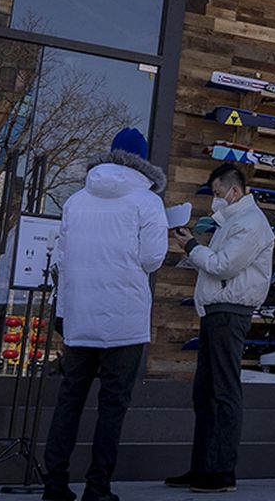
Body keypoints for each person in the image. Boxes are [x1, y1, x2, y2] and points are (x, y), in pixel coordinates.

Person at [40, 128, 170, 501]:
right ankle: (98, 487)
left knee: (70, 400)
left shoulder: (77, 200)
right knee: (112, 405)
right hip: (124, 320)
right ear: (143, 161)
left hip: (80, 316)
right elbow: (151, 258)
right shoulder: (147, 202)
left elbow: (61, 261)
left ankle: (55, 484)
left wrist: (62, 311)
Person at [165, 163, 273, 494]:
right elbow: (218, 262)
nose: (215, 200)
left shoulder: (251, 225)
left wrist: (191, 247)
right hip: (216, 311)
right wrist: (196, 245)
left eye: (216, 193)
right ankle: (203, 467)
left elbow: (223, 264)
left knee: (224, 391)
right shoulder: (234, 223)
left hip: (230, 311)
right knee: (206, 393)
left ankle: (222, 472)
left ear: (234, 191)